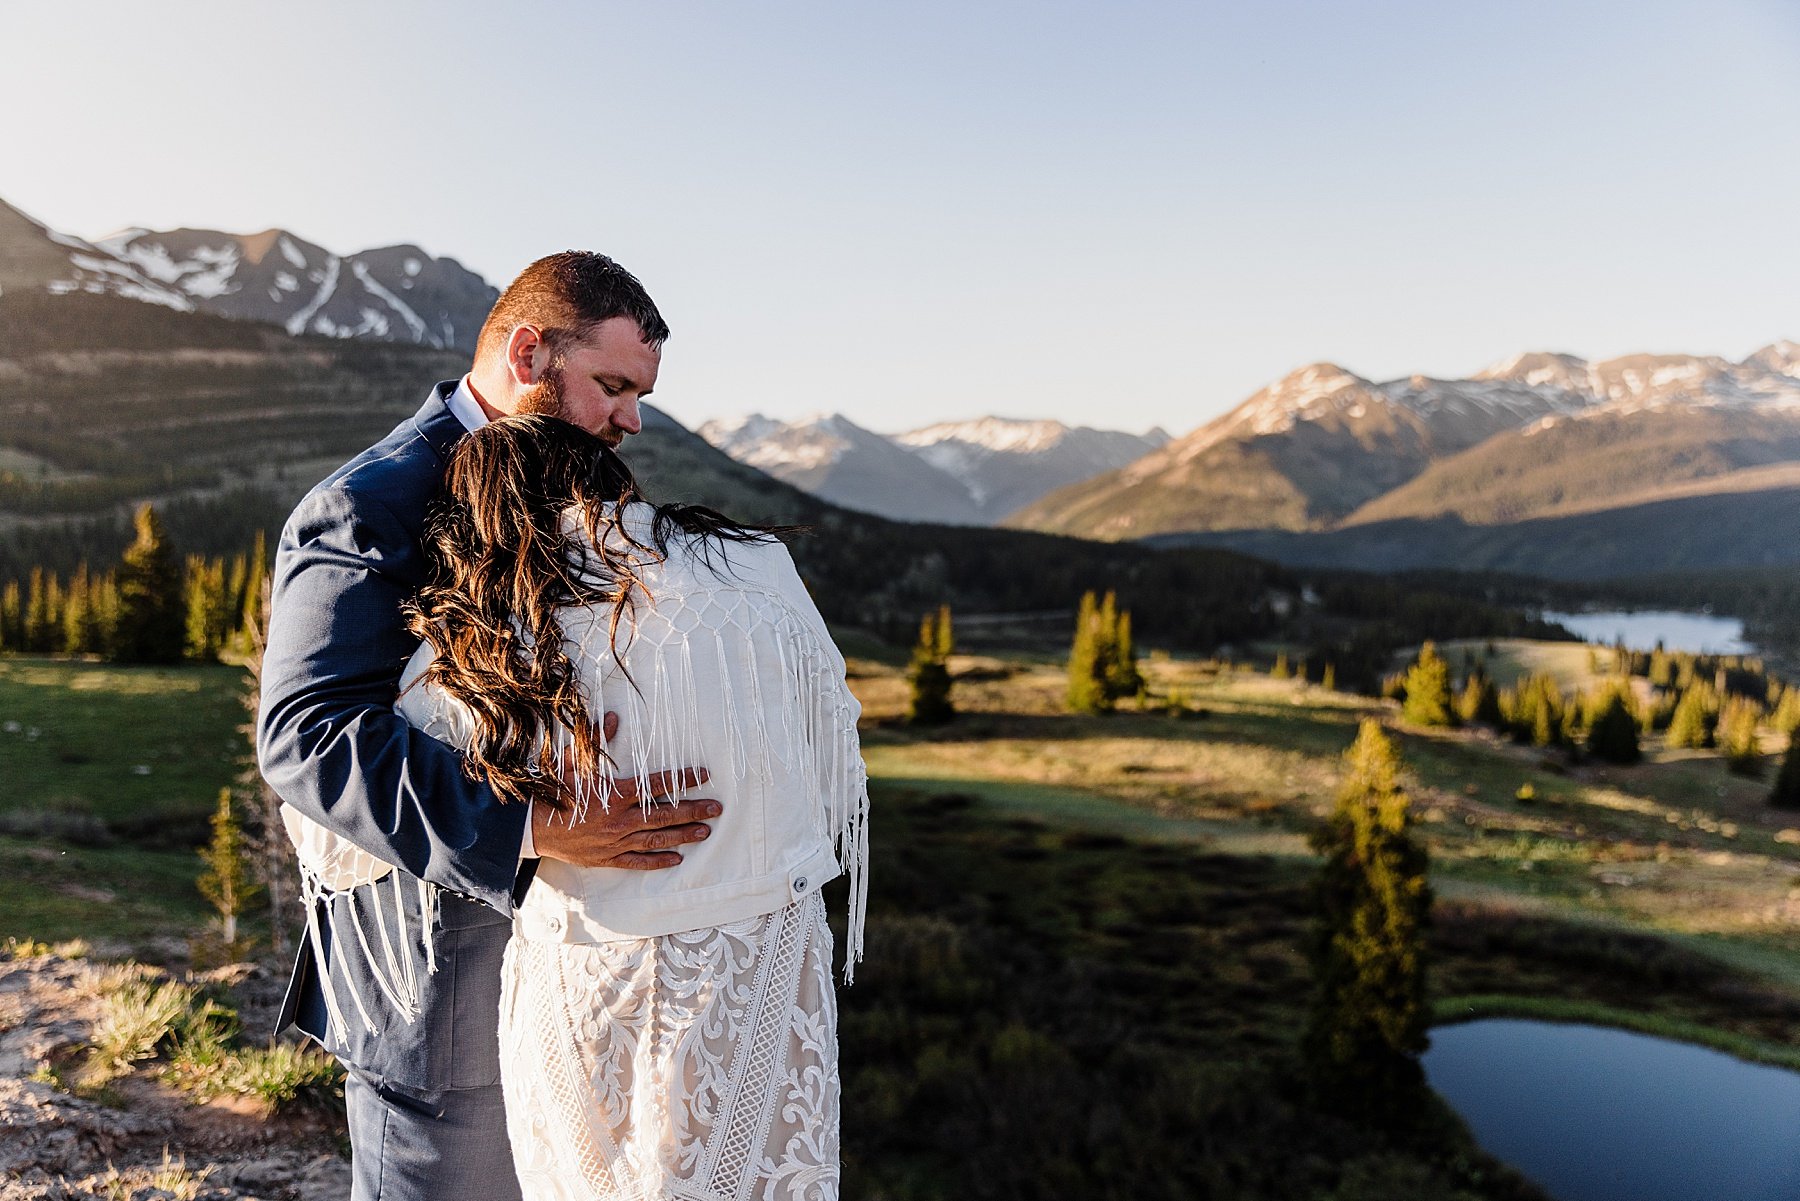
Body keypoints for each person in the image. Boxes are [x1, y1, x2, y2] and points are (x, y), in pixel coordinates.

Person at [258, 252, 720, 1201]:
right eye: (613, 386)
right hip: (434, 1000)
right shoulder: (368, 502)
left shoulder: (575, 486)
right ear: (527, 352)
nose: (631, 419)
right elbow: (305, 734)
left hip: (570, 982)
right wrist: (533, 826)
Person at [394, 414, 868, 1199]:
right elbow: (832, 734)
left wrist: (529, 787)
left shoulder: (499, 615)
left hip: (583, 954)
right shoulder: (758, 564)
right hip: (758, 951)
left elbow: (404, 754)